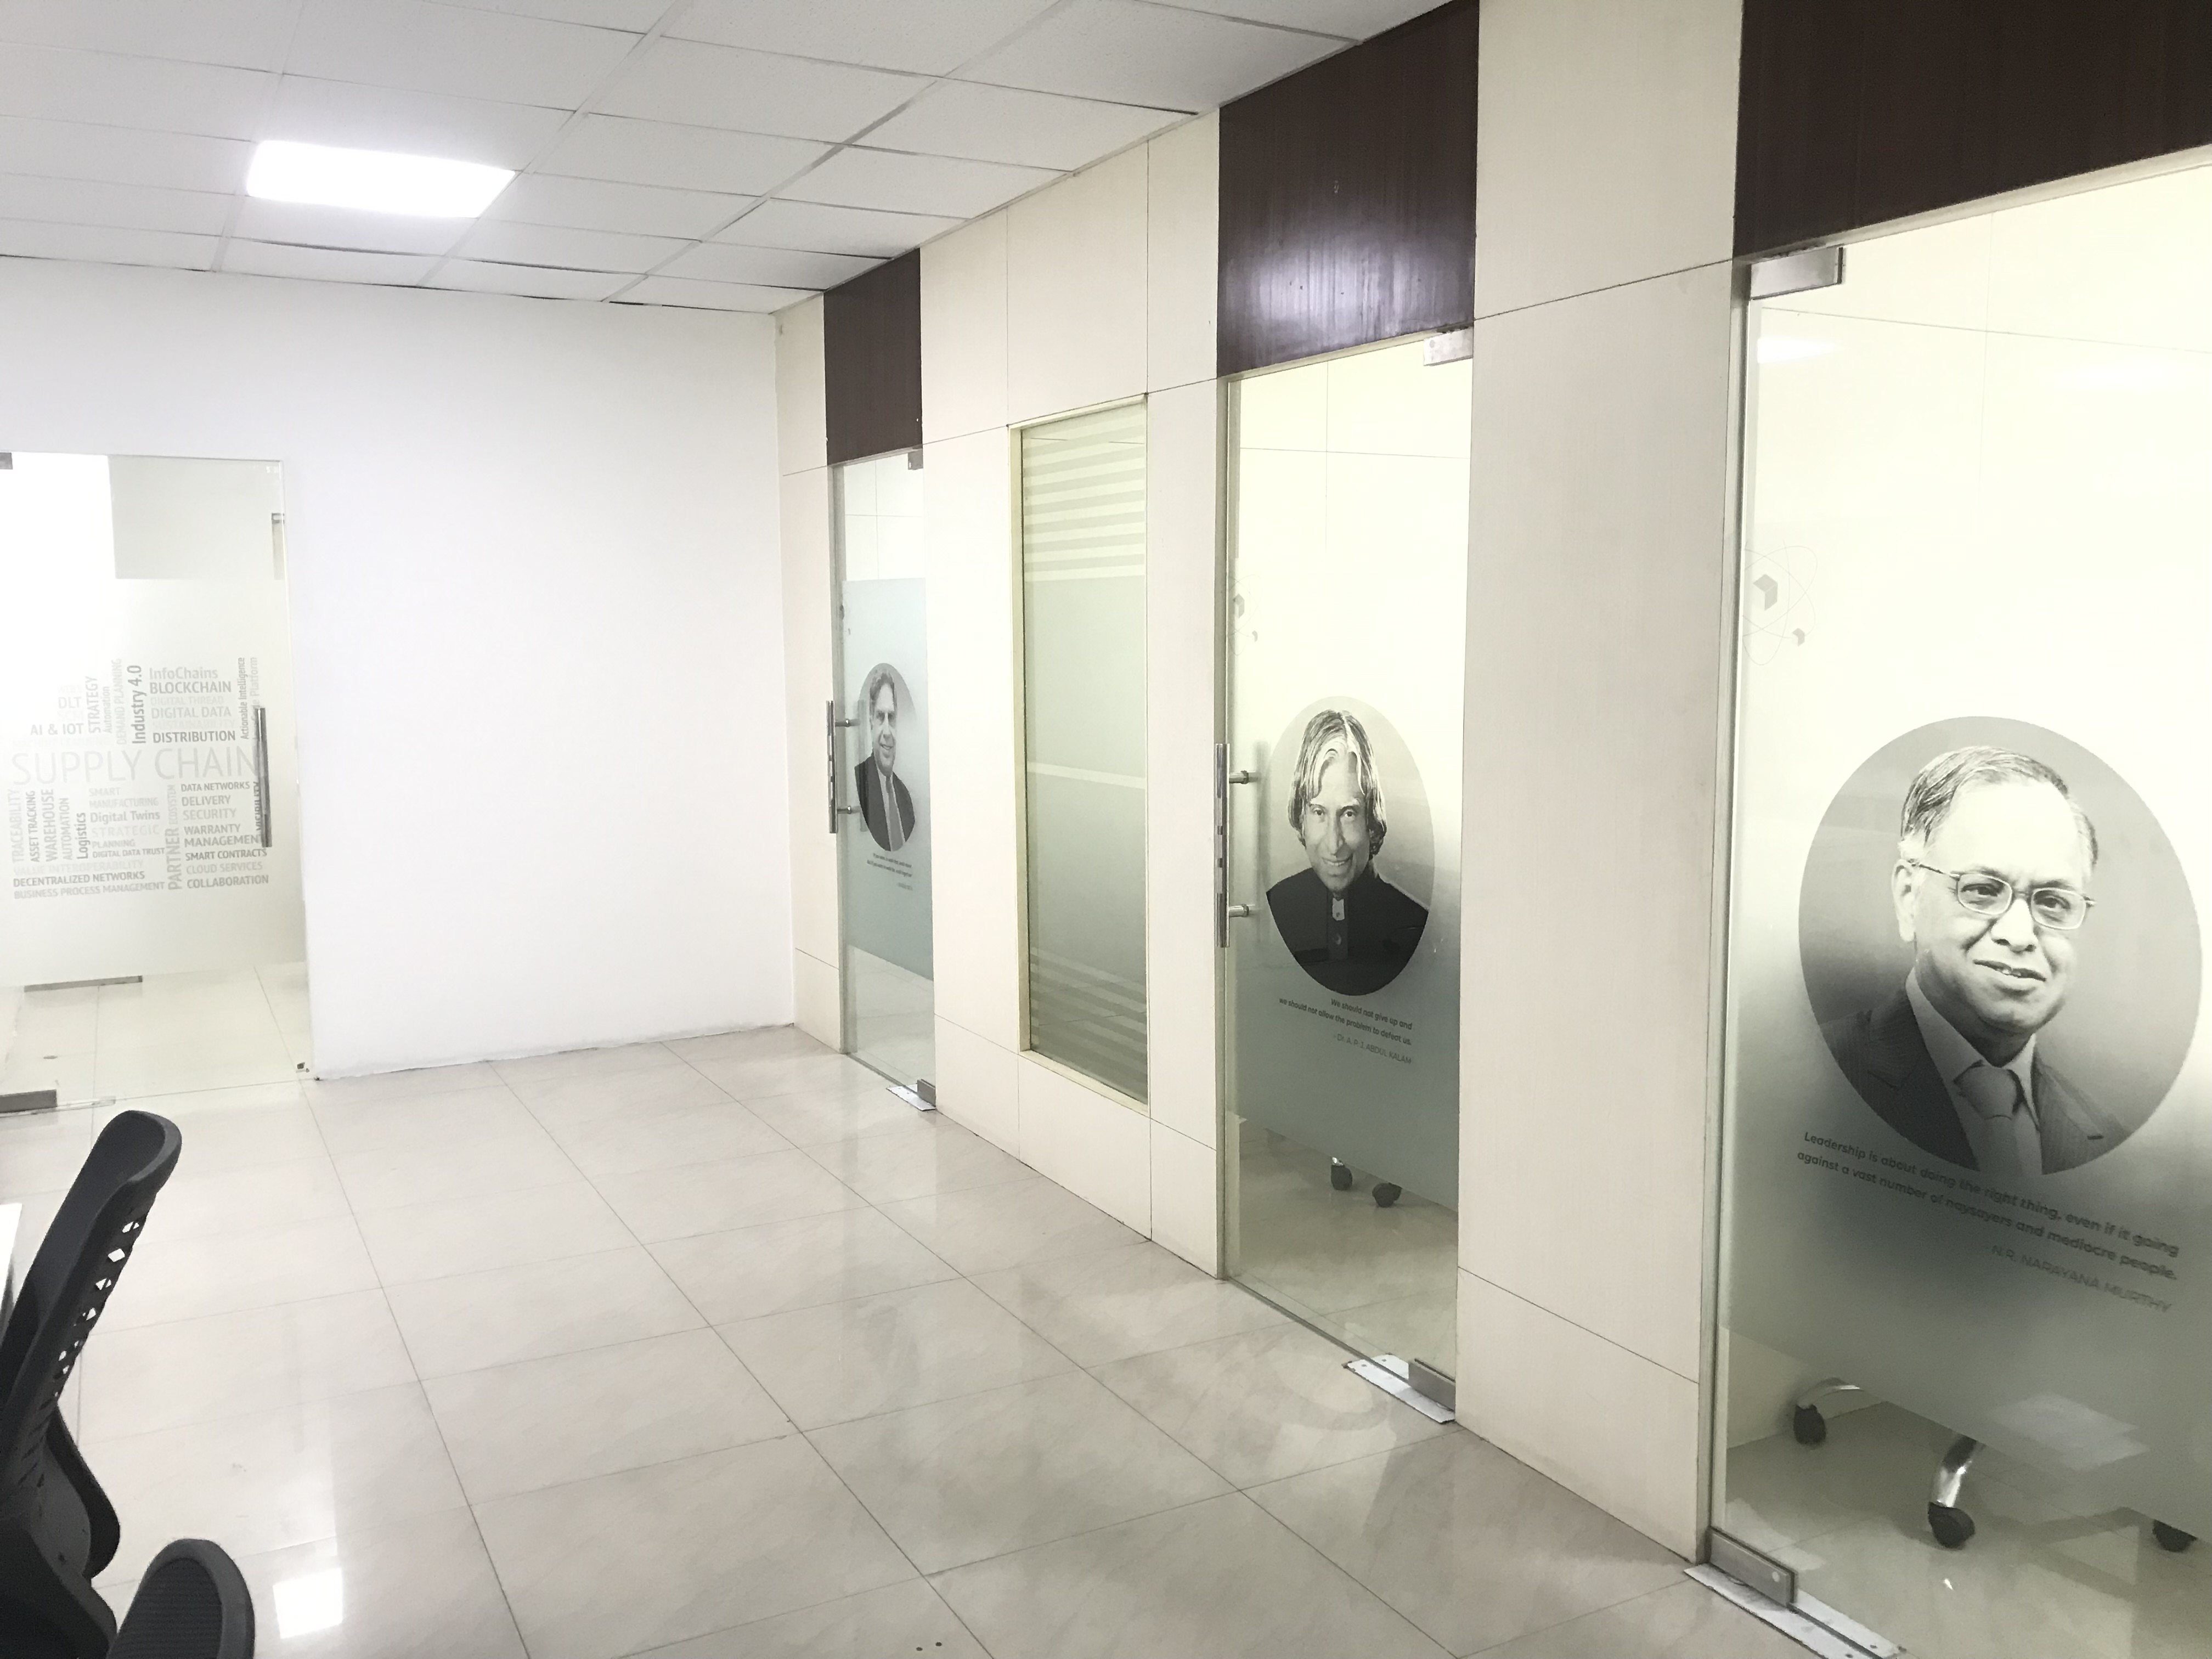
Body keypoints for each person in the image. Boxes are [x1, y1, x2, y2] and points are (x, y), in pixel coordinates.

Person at [1822, 746, 2117, 1175]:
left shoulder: (2111, 1143)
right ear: (1909, 896)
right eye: (1982, 890)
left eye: (2053, 902)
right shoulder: (1811, 1075)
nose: (2019, 935)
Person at [1265, 709, 1427, 996]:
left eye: (1349, 814)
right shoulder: (1274, 907)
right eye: (1319, 812)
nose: (1334, 843)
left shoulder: (1414, 925)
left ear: (1371, 821)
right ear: (1301, 817)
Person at [854, 665, 916, 852]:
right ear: (871, 722)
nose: (887, 732)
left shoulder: (904, 797)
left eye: (892, 717)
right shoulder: (859, 782)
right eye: (881, 717)